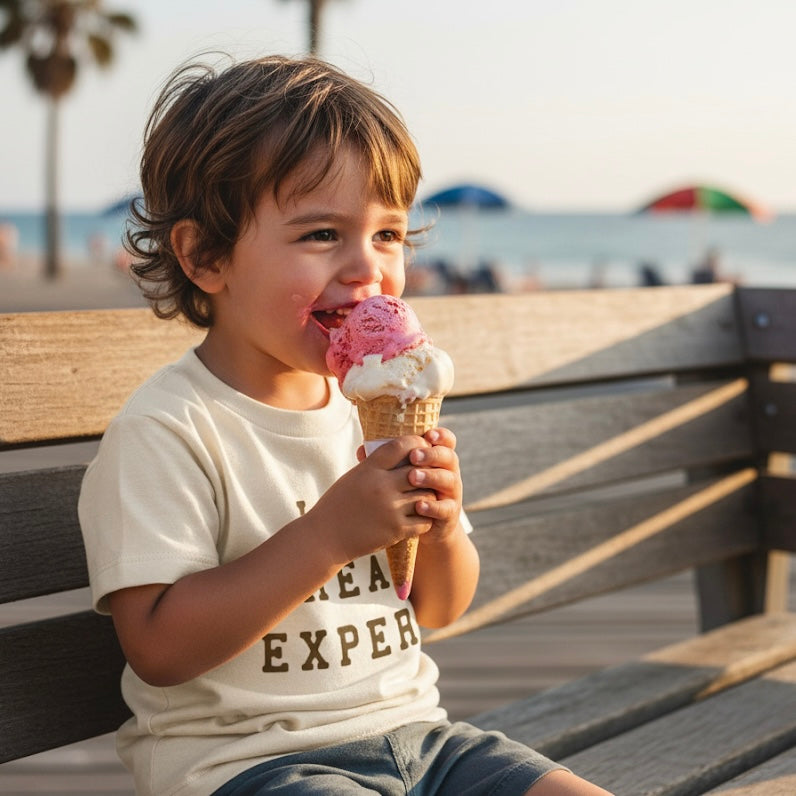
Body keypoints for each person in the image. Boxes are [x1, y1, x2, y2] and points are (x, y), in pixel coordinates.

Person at [78, 54, 611, 796]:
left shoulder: (369, 406)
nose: (368, 268)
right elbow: (159, 648)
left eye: (389, 235)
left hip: (424, 740)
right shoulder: (170, 430)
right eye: (322, 234)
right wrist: (329, 535)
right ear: (204, 257)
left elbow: (440, 608)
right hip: (253, 764)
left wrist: (443, 528)